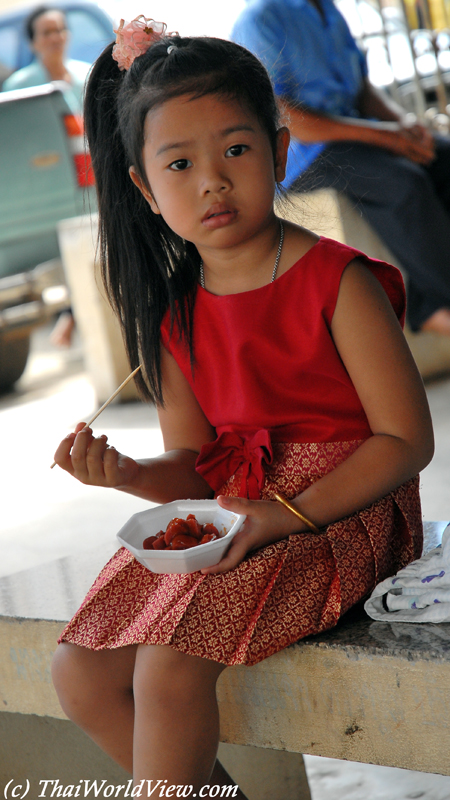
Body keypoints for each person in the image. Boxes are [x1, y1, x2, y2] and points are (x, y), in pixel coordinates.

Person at [50, 17, 434, 795]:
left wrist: (282, 514)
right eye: (180, 163)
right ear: (145, 190)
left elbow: (404, 440)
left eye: (235, 150)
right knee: (80, 669)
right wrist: (124, 473)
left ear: (280, 151)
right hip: (235, 517)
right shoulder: (175, 316)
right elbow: (195, 472)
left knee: (166, 664)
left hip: (343, 514)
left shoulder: (336, 281)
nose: (212, 182)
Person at [232, 0, 450, 337]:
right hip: (303, 155)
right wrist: (385, 137)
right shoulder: (262, 19)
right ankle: (440, 300)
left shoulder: (329, 11)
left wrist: (404, 127)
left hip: (353, 135)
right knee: (401, 182)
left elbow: (361, 87)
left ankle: (429, 297)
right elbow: (285, 117)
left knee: (442, 155)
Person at [2, 5, 89, 112]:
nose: (55, 38)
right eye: (47, 33)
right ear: (32, 42)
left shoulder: (87, 75)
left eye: (59, 30)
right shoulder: (18, 87)